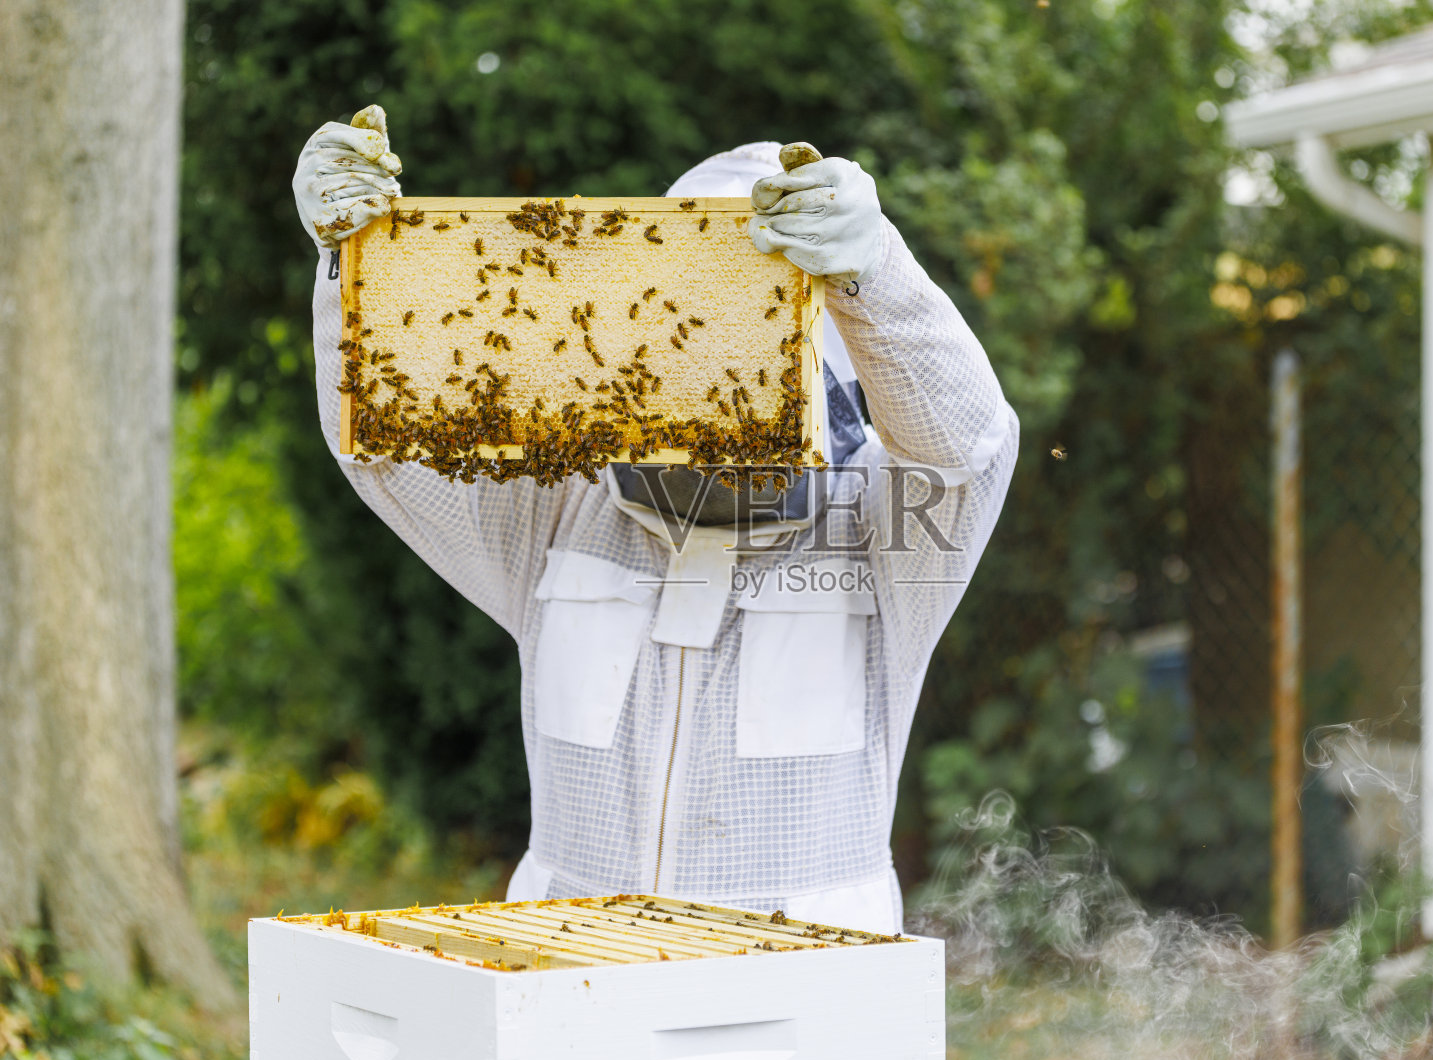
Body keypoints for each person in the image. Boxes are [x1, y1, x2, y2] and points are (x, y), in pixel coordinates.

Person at [292, 105, 1017, 933]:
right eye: (688, 324)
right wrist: (351, 270)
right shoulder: (559, 508)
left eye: (750, 329)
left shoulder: (884, 534)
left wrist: (873, 274)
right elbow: (384, 443)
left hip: (802, 1007)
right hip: (568, 980)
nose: (711, 364)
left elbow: (969, 447)